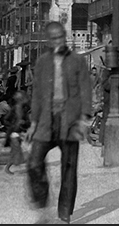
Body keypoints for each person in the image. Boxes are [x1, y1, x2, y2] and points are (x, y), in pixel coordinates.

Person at [25, 21, 92, 224]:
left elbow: (86, 90)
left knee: (69, 168)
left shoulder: (77, 61)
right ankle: (42, 204)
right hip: (46, 120)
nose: (59, 41)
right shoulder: (42, 62)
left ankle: (64, 215)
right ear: (49, 40)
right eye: (54, 38)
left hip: (70, 120)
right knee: (34, 162)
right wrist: (33, 123)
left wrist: (84, 119)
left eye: (62, 37)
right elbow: (36, 94)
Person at [4, 90, 31, 174]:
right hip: (14, 133)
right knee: (20, 152)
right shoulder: (15, 109)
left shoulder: (23, 109)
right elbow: (6, 119)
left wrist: (23, 123)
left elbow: (27, 122)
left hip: (20, 133)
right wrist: (12, 127)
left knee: (18, 152)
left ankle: (8, 168)